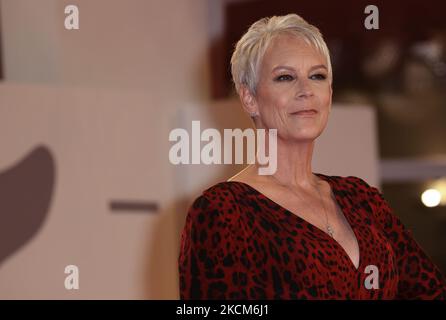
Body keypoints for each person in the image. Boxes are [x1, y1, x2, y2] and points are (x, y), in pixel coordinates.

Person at [178, 13, 446, 299]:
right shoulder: (223, 212)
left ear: (329, 92)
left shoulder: (363, 199)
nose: (306, 90)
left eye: (317, 76)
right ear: (249, 98)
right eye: (285, 77)